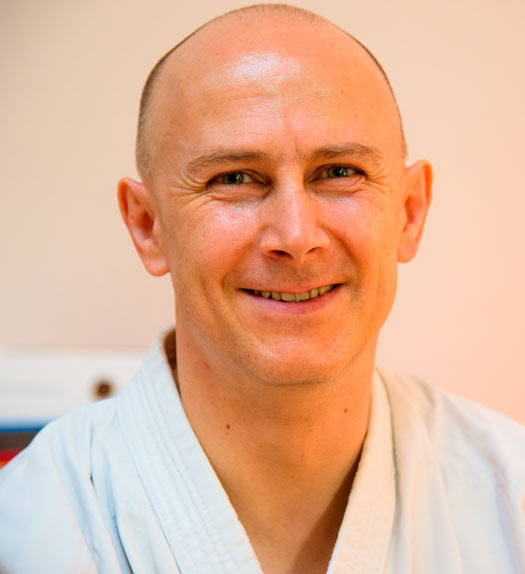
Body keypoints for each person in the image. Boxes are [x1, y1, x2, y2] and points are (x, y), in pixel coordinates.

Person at [1, 4, 524, 573]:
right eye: (233, 178)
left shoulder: (511, 505)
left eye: (340, 172)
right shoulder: (27, 529)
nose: (296, 237)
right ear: (147, 226)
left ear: (409, 211)